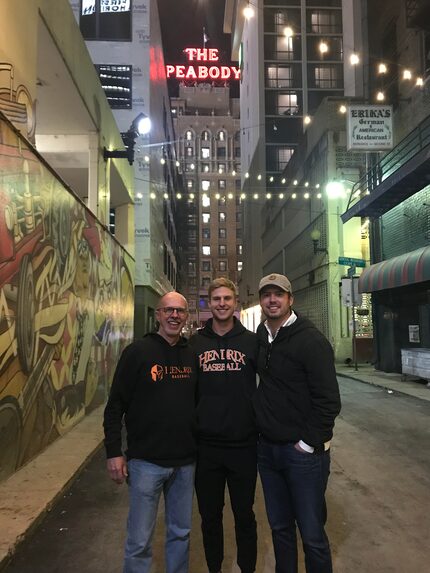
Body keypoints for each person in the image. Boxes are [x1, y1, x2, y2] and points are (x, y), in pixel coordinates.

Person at [103, 291, 197, 573]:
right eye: (168, 310)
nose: (174, 315)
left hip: (185, 463)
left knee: (180, 533)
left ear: (186, 316)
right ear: (158, 315)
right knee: (140, 540)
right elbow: (115, 405)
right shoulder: (137, 353)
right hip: (146, 463)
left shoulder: (191, 354)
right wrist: (113, 453)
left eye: (179, 311)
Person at [254, 273, 341, 573]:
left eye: (279, 294)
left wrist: (307, 443)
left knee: (312, 534)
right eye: (267, 295)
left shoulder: (311, 340)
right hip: (268, 452)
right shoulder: (261, 335)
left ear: (291, 299)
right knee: (280, 529)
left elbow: (329, 401)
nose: (272, 300)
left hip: (303, 456)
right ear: (261, 300)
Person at [190, 277, 258, 573]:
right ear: (209, 302)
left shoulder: (252, 342)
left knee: (245, 515)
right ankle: (215, 568)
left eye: (227, 299)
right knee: (209, 517)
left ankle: (247, 568)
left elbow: (273, 384)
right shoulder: (195, 343)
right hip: (206, 448)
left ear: (235, 303)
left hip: (244, 445)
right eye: (216, 299)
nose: (221, 304)